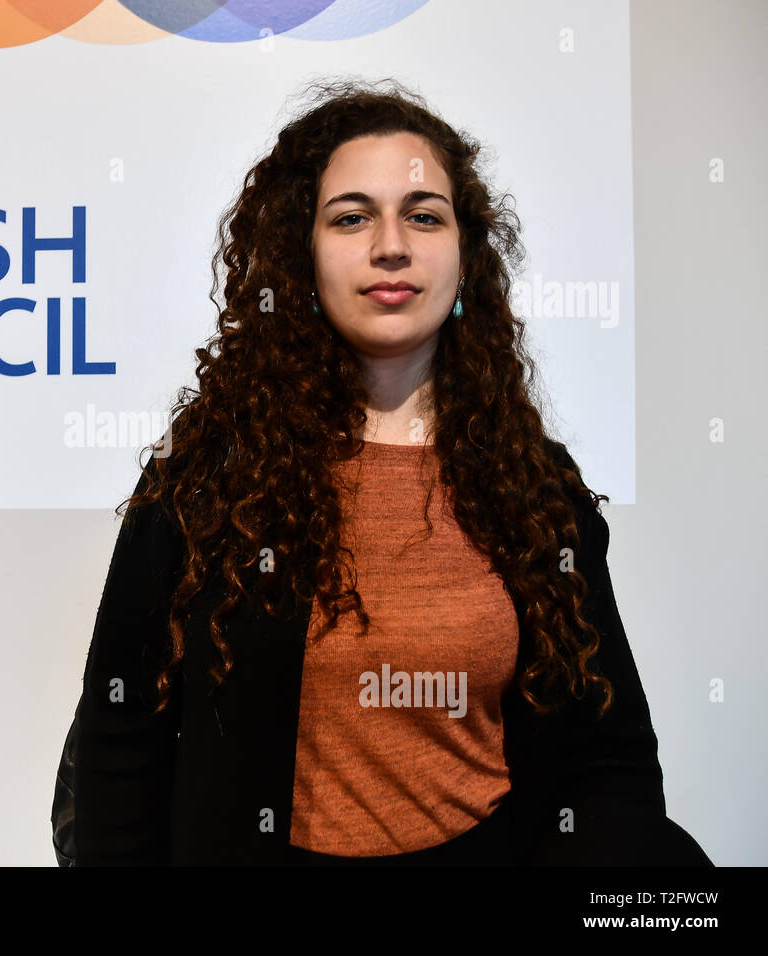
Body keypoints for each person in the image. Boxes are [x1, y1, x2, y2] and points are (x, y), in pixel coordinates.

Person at [68, 77, 712, 867]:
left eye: (423, 215)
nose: (391, 246)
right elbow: (115, 751)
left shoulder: (533, 485)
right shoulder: (208, 478)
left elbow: (606, 760)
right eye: (351, 217)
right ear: (300, 252)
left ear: (465, 252)